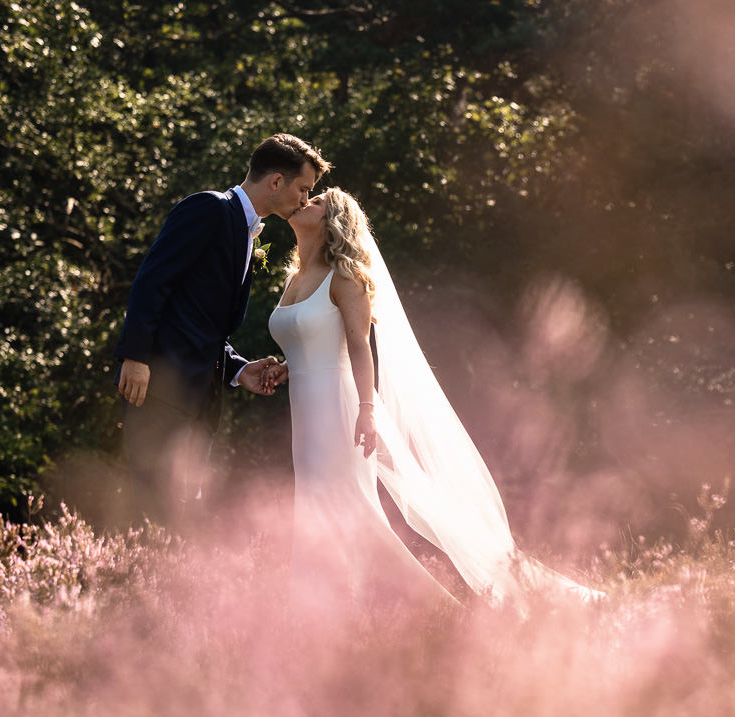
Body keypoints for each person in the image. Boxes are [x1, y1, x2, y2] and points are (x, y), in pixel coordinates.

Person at [269, 188, 599, 610]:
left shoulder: (346, 276)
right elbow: (308, 338)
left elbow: (358, 346)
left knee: (350, 505)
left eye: (316, 201)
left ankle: (438, 612)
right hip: (305, 410)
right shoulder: (295, 278)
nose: (304, 202)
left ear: (332, 219)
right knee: (315, 503)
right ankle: (323, 608)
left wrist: (367, 411)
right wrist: (283, 365)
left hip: (340, 407)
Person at [113, 133, 329, 525]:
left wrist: (238, 369)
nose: (305, 199)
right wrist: (136, 355)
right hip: (160, 388)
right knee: (154, 514)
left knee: (182, 516)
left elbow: (201, 323)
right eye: (303, 188)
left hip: (199, 399)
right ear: (276, 181)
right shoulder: (210, 209)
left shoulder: (247, 230)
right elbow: (152, 279)